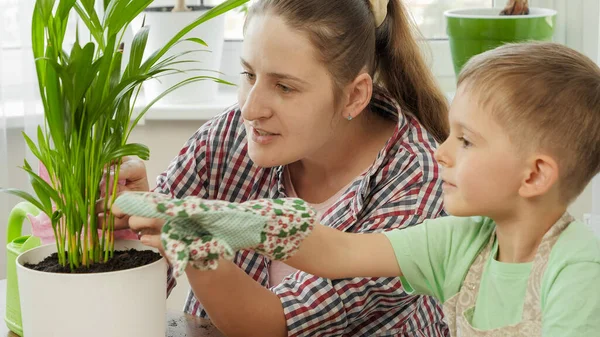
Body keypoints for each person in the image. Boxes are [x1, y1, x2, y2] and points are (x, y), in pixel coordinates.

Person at [113, 42, 600, 336]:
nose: (441, 151)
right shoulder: (460, 241)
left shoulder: (578, 270)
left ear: (534, 175)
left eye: (466, 141)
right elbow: (332, 250)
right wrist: (199, 222)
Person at [102, 0, 452, 335]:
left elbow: (276, 326)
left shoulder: (418, 184)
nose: (251, 110)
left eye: (284, 87)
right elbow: (139, 285)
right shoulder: (227, 137)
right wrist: (136, 218)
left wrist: (191, 242)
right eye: (248, 74)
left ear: (354, 96)